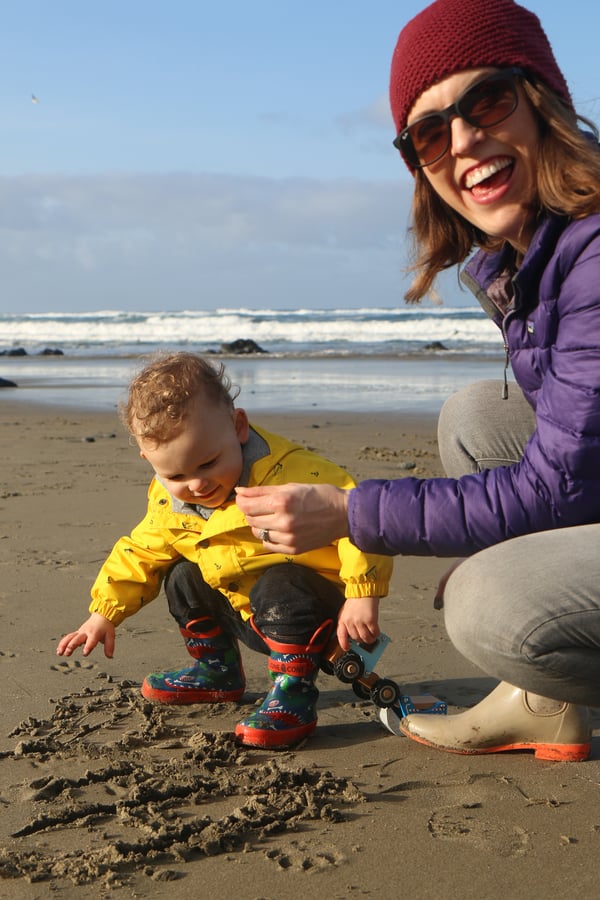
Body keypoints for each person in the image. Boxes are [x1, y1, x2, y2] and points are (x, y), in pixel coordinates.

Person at [236, 0, 600, 762]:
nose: (463, 142)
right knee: (478, 413)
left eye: (487, 102)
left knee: (491, 602)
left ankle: (545, 667)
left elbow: (560, 491)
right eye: (430, 132)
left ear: (544, 104)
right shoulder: (531, 252)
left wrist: (349, 511)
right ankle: (547, 703)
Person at [57, 352, 392, 750]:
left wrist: (362, 594)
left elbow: (359, 519)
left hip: (317, 618)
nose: (196, 485)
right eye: (176, 475)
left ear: (238, 427)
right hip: (247, 614)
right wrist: (103, 613)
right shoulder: (169, 502)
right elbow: (139, 552)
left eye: (209, 463)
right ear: (149, 461)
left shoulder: (293, 477)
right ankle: (217, 670)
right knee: (182, 575)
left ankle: (294, 692)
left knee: (280, 584)